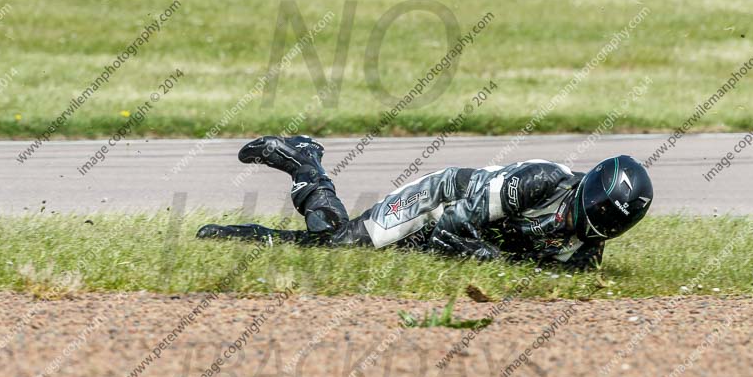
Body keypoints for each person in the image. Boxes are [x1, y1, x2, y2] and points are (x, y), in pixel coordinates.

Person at [197, 136, 653, 269]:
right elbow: (453, 229)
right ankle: (303, 161)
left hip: (467, 229)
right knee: (338, 246)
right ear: (585, 191)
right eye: (580, 218)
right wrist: (492, 259)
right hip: (440, 200)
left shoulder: (593, 236)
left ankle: (262, 239)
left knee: (324, 254)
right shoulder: (539, 182)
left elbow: (554, 271)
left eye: (595, 231)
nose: (577, 230)